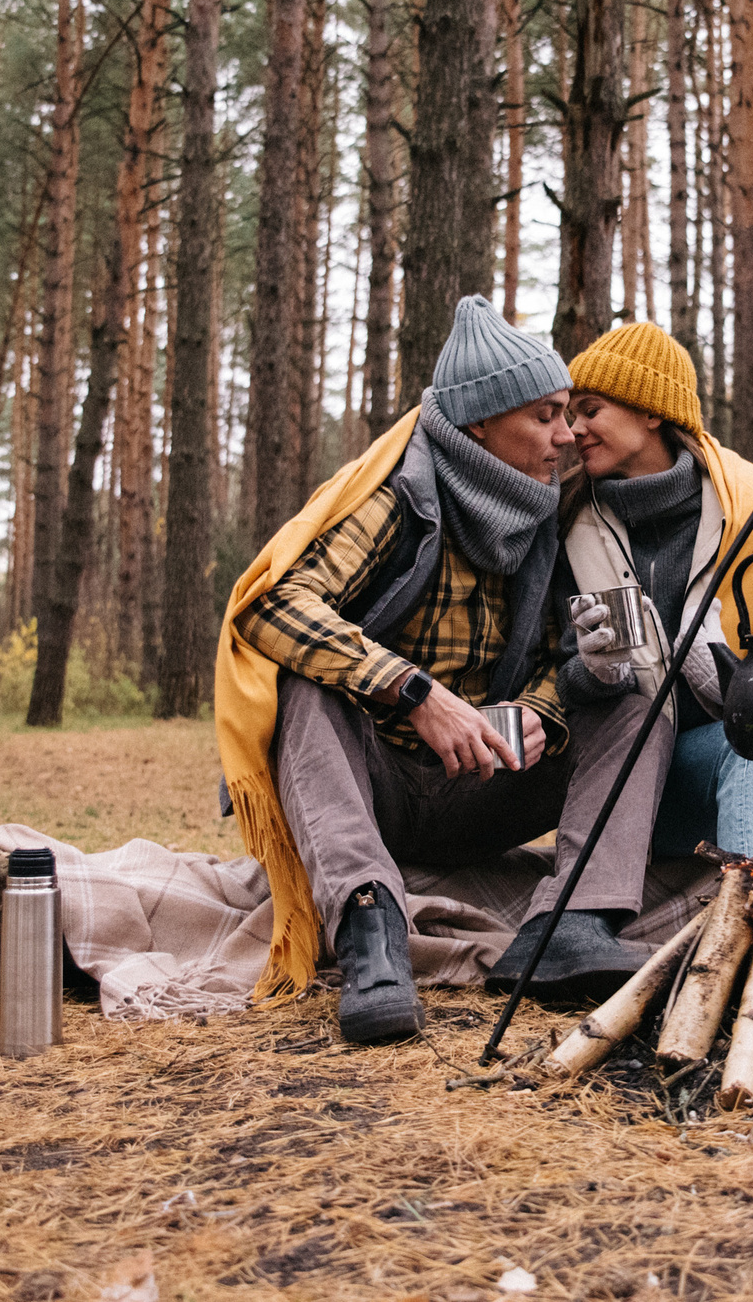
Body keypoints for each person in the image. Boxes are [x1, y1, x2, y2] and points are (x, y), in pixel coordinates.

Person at [215, 297, 664, 1046]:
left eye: (568, 415)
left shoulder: (555, 514)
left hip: (486, 781)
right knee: (301, 688)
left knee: (632, 697)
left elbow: (572, 657)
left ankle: (572, 922)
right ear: (482, 423)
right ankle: (370, 932)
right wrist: (414, 690)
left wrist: (540, 709)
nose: (566, 436)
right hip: (378, 786)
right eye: (546, 415)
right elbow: (271, 604)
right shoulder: (401, 498)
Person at [549, 321, 753, 872]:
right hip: (637, 784)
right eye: (570, 415)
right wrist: (595, 672)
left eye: (590, 410)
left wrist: (728, 677)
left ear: (652, 412)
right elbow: (552, 680)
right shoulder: (569, 524)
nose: (573, 430)